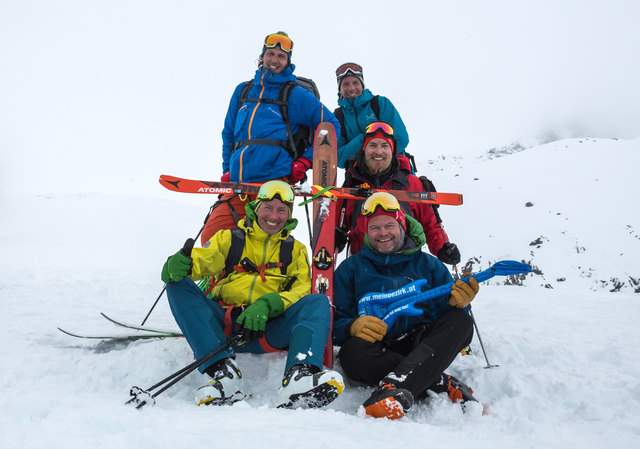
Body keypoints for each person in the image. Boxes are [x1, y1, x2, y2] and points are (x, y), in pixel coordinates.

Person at [161, 180, 344, 408]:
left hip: (268, 330)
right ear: (256, 208)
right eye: (268, 208)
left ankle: (300, 377)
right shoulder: (229, 238)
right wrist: (184, 265)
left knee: (317, 301)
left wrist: (270, 303)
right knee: (177, 284)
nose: (274, 216)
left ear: (289, 215)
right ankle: (224, 373)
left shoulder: (294, 250)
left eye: (281, 211)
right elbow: (204, 260)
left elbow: (300, 290)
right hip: (225, 327)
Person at [333, 192, 479, 419]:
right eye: (374, 228)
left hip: (421, 344)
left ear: (402, 225)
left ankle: (392, 388)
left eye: (389, 225)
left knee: (461, 321)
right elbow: (336, 322)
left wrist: (461, 304)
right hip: (377, 349)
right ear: (366, 232)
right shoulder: (349, 269)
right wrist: (352, 327)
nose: (382, 233)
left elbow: (450, 319)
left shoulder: (430, 265)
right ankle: (436, 382)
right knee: (351, 354)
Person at [201, 31, 340, 244]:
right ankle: (220, 279)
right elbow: (229, 133)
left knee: (261, 246)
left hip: (274, 183)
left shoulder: (295, 94)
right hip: (239, 183)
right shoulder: (243, 91)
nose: (274, 60)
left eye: (281, 56)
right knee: (212, 240)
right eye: (270, 54)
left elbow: (330, 126)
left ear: (288, 61)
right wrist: (226, 169)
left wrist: (305, 161)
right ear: (262, 56)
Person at [335, 121, 461, 265]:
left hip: (407, 267)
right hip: (362, 267)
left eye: (384, 146)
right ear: (364, 149)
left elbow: (430, 225)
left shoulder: (411, 183)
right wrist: (334, 238)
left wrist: (442, 248)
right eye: (372, 145)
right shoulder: (352, 183)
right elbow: (337, 224)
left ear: (392, 149)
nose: (378, 151)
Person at [334, 62, 410, 169]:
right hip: (358, 177)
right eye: (345, 84)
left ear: (362, 86)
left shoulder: (380, 104)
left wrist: (360, 147)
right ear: (340, 89)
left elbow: (401, 139)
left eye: (356, 83)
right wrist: (366, 138)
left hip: (396, 172)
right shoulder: (338, 117)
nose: (351, 88)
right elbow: (338, 158)